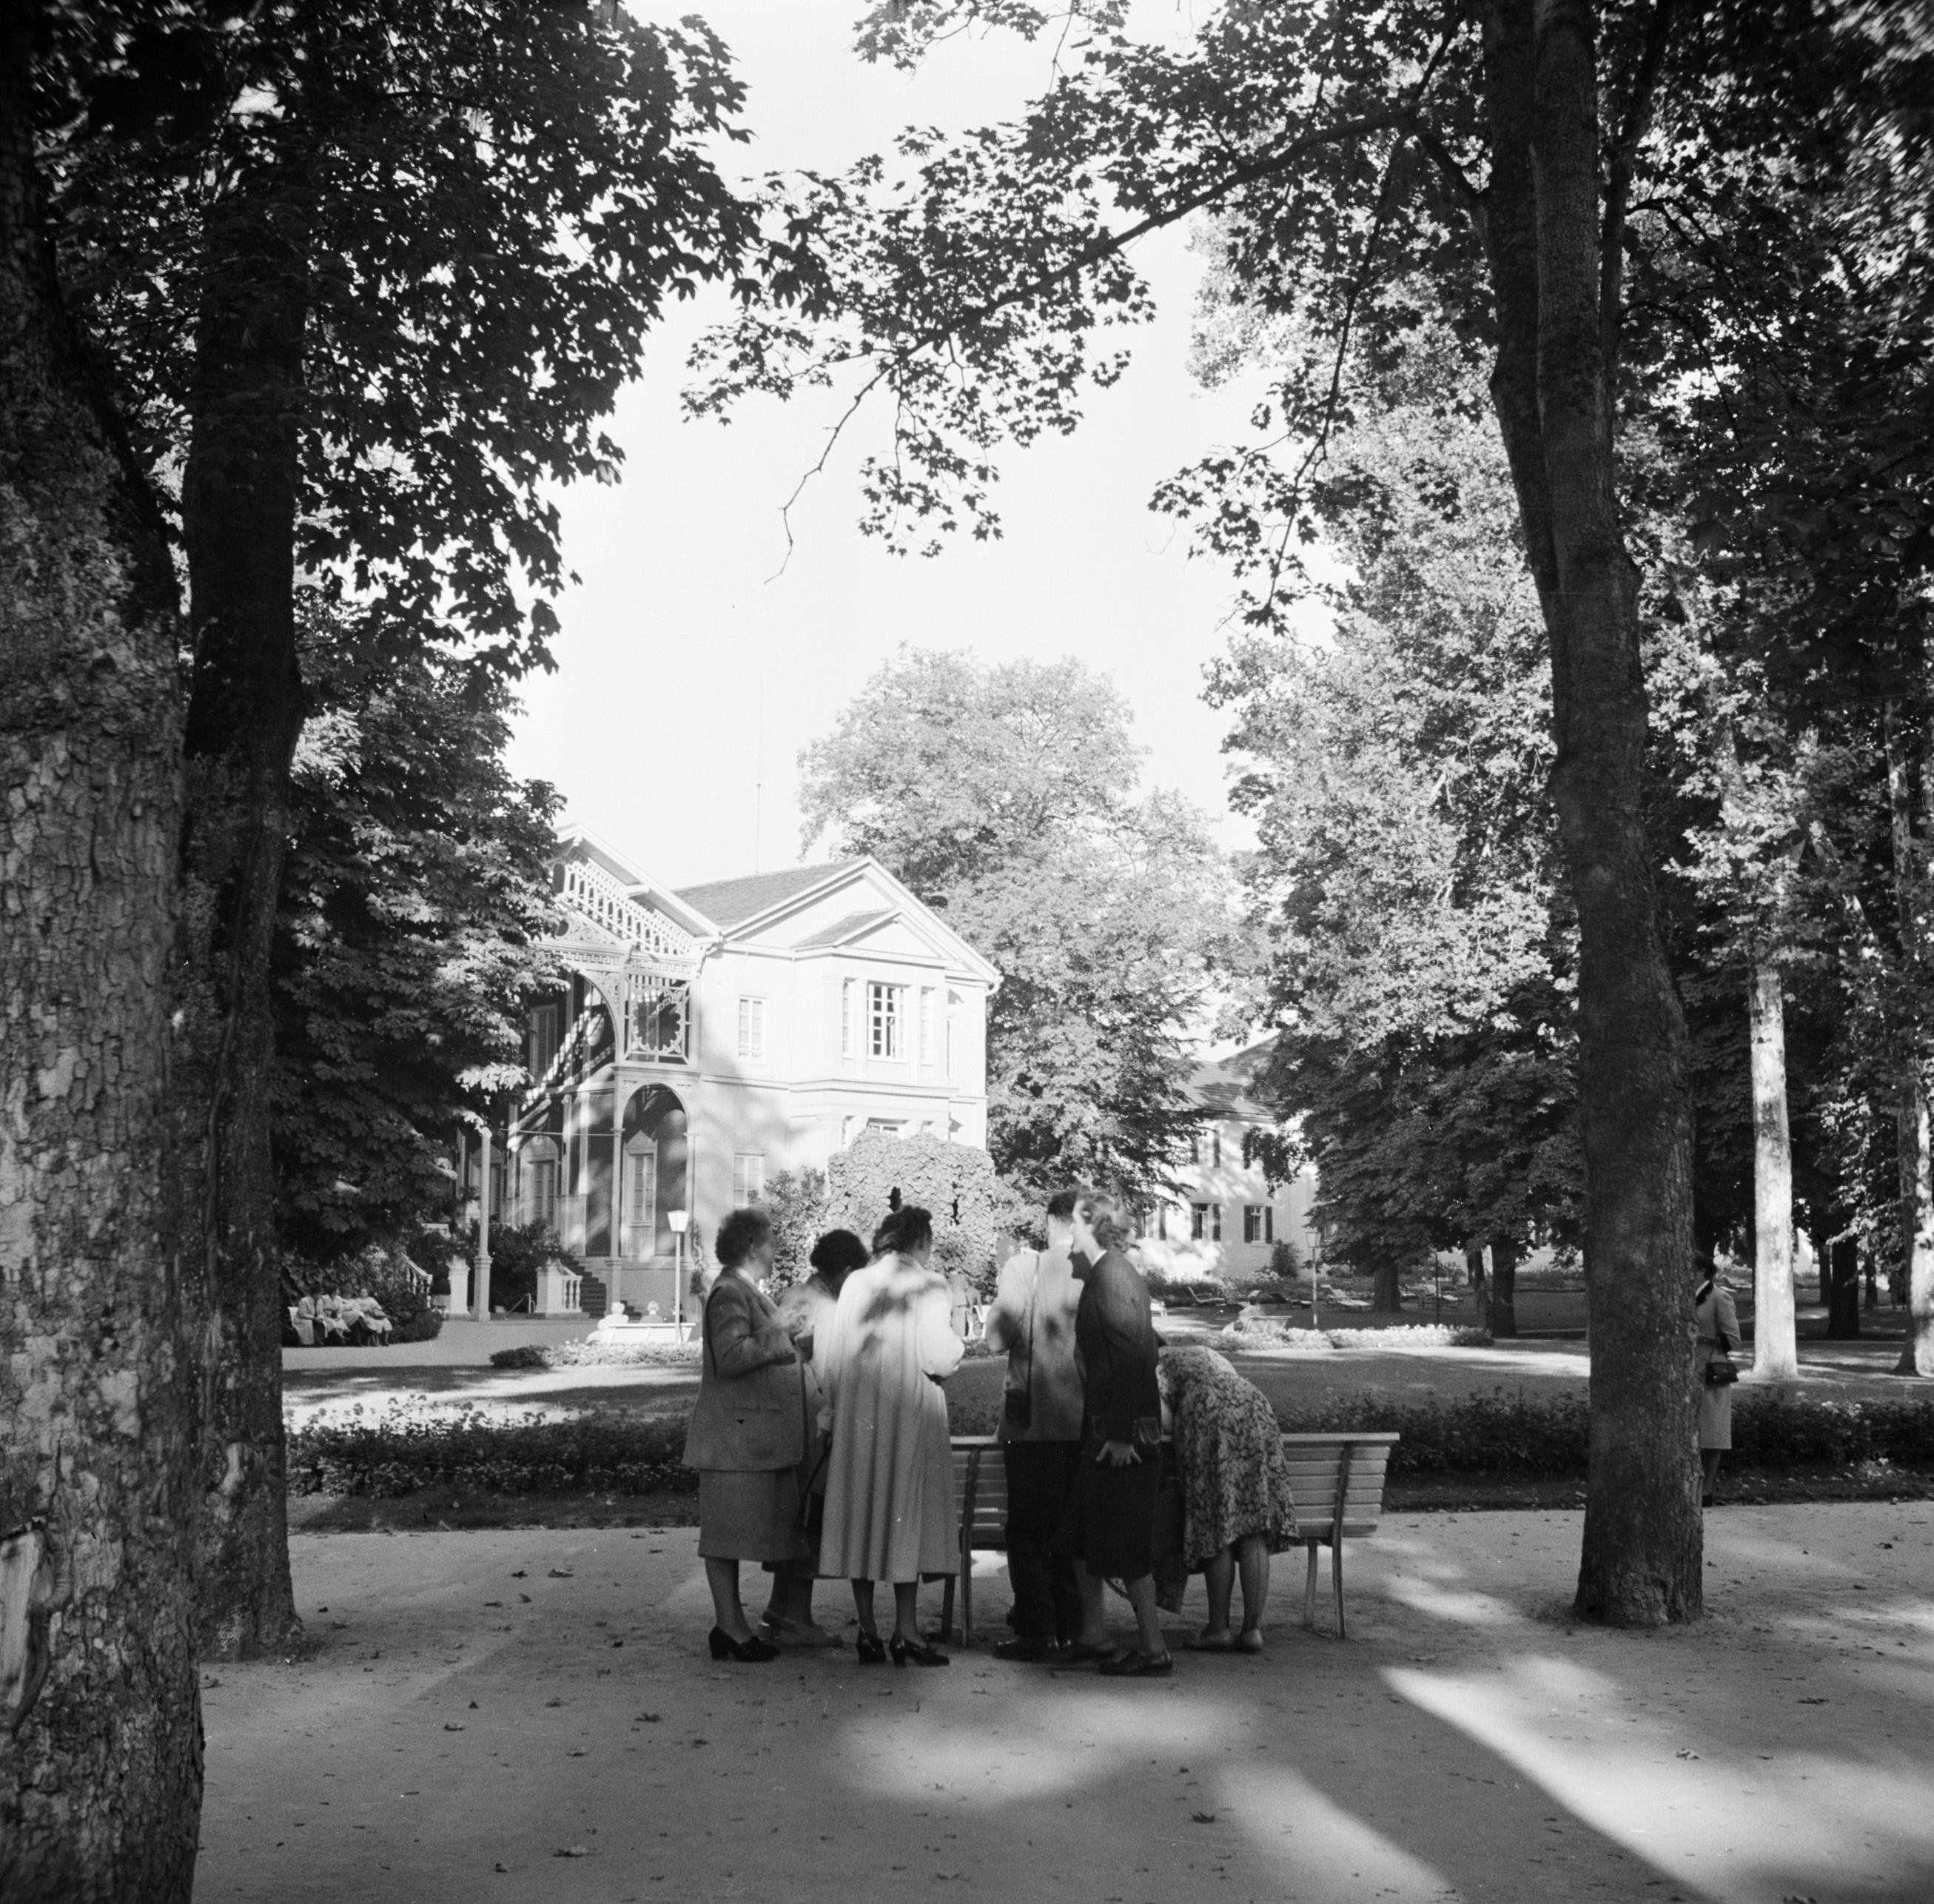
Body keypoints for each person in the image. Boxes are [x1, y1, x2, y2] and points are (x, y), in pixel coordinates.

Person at [817, 1204, 964, 1667]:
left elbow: (835, 1360)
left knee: (862, 1517)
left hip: (860, 1419)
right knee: (905, 1516)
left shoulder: (857, 1282)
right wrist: (959, 1325)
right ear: (921, 1241)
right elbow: (937, 1357)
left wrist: (836, 1413)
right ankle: (907, 1630)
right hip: (909, 1415)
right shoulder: (929, 1284)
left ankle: (868, 1631)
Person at [682, 1207, 808, 1662]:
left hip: (747, 1438)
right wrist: (780, 1331)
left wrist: (790, 1333)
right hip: (732, 1440)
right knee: (723, 1536)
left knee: (733, 1533)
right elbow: (731, 1356)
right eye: (771, 1243)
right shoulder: (730, 1292)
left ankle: (731, 1626)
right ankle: (730, 1628)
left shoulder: (746, 1290)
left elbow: (765, 1344)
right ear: (753, 1246)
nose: (775, 1252)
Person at [1058, 1189, 1172, 1677]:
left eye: (1070, 1226)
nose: (1065, 1237)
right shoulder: (1107, 1275)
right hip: (1105, 1435)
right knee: (1080, 1537)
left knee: (1125, 1546)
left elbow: (1135, 1357)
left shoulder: (1113, 1275)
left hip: (1121, 1441)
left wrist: (1124, 1435)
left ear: (1089, 1223)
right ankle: (1093, 1634)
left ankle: (1152, 1649)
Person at [754, 1228, 870, 1648]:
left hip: (787, 1415)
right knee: (810, 1519)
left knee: (793, 1515)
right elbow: (834, 1370)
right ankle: (798, 1615)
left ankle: (779, 1606)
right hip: (814, 1419)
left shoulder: (794, 1295)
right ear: (842, 1270)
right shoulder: (830, 1308)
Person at [983, 1188, 1086, 1661]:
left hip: (1034, 1421)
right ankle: (1073, 1625)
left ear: (1050, 1223)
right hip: (1086, 1421)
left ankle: (1036, 1629)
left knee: (1027, 1530)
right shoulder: (1097, 1270)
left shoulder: (1026, 1268)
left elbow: (997, 1341)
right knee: (1071, 1528)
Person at [1155, 1344, 1298, 1652]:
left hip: (1206, 1413)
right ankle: (1252, 1631)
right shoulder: (1203, 1352)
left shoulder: (1156, 1366)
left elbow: (1163, 1425)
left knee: (1218, 1522)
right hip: (1253, 1404)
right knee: (1251, 1525)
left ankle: (1218, 1629)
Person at [1695, 1267, 1742, 1507]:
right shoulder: (1679, 1295)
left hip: (1711, 1373)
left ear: (1700, 1271)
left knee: (1713, 1432)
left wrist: (1702, 1338)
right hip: (1685, 1371)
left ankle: (1707, 1489)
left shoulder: (1719, 1297)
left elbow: (1733, 1339)